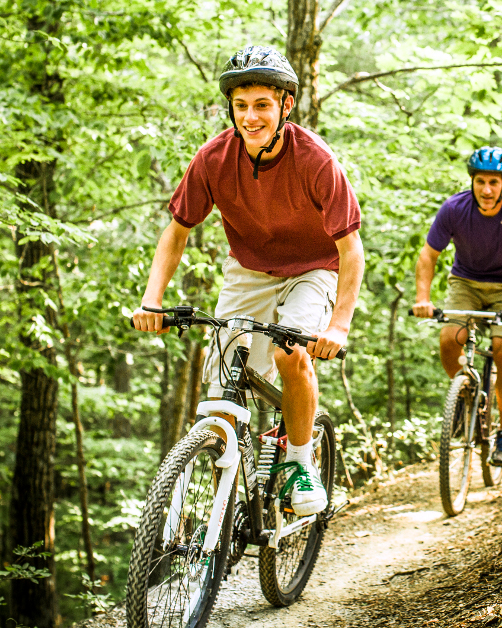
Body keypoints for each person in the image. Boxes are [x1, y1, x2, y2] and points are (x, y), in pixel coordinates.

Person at [132, 45, 364, 517]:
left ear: (285, 105)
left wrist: (338, 326)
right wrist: (151, 301)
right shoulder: (214, 158)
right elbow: (176, 233)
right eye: (241, 106)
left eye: (262, 105)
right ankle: (219, 508)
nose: (251, 117)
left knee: (289, 350)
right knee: (222, 388)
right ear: (230, 108)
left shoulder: (316, 160)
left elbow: (350, 248)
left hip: (312, 269)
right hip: (247, 271)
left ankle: (300, 461)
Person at [411, 147, 502, 466]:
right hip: (467, 283)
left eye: (493, 182)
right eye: (480, 182)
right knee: (449, 341)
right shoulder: (455, 208)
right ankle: (466, 398)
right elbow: (428, 255)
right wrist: (423, 298)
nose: (486, 190)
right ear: (472, 182)